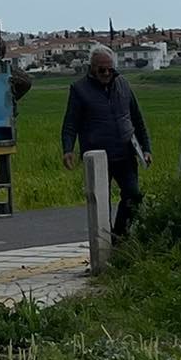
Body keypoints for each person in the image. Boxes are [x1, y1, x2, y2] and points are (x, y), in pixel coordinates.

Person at [60, 45, 152, 238]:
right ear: (92, 68)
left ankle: (119, 237)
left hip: (125, 153)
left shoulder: (123, 84)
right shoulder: (79, 89)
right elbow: (70, 123)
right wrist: (67, 149)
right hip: (97, 157)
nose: (106, 73)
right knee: (101, 203)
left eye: (110, 69)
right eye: (101, 69)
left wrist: (146, 148)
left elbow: (137, 119)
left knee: (133, 195)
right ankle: (103, 245)